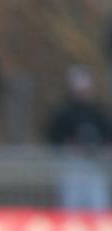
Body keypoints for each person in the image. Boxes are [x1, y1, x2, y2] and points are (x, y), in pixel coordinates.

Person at [46, 66, 111, 212]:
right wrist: (68, 147)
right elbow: (54, 137)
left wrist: (102, 148)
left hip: (95, 165)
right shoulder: (64, 112)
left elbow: (107, 136)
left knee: (97, 203)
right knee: (71, 204)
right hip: (71, 165)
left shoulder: (98, 111)